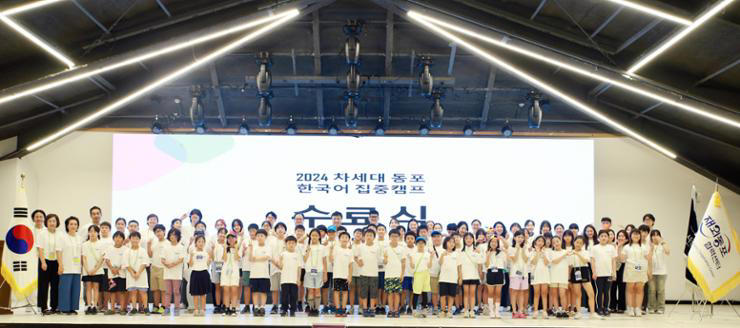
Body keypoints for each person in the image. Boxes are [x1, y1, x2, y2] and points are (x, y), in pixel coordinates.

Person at [57, 216, 83, 315]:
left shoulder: (79, 238)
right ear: (67, 226)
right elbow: (58, 251)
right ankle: (64, 308)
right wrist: (60, 265)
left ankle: (73, 308)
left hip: (76, 268)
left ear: (78, 226)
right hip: (66, 267)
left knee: (75, 289)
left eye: (75, 224)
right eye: (71, 224)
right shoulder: (62, 237)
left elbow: (81, 253)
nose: (73, 226)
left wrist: (82, 266)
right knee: (65, 288)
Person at [37, 214, 60, 315]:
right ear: (46, 222)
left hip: (56, 262)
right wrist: (43, 262)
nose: (52, 223)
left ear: (57, 222)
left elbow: (61, 250)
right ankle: (43, 307)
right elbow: (40, 249)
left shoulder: (60, 234)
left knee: (55, 285)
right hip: (45, 261)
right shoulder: (42, 233)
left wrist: (60, 264)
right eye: (50, 221)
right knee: (43, 285)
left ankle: (54, 307)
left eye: (54, 221)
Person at [591, 230, 617, 317]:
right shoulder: (594, 248)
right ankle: (599, 308)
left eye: (605, 236)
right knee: (599, 291)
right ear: (598, 238)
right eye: (601, 236)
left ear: (608, 238)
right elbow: (592, 261)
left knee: (607, 292)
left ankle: (606, 308)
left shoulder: (611, 248)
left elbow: (613, 261)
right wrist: (594, 272)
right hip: (598, 274)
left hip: (609, 274)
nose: (603, 238)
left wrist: (614, 273)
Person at [274, 235, 301, 316]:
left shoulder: (297, 255)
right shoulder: (283, 254)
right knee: (284, 296)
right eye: (289, 243)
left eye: (293, 243)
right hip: (284, 279)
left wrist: (298, 279)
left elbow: (299, 268)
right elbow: (281, 267)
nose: (291, 244)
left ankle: (293, 310)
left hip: (294, 280)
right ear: (286, 244)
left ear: (295, 244)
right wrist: (280, 260)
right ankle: (284, 309)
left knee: (294, 296)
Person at [124, 232, 150, 315]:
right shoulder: (127, 251)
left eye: (136, 238)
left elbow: (145, 262)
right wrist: (132, 273)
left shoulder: (143, 250)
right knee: (133, 292)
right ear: (130, 239)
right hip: (130, 274)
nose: (134, 240)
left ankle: (145, 308)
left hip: (141, 274)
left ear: (139, 239)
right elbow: (126, 263)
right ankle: (134, 308)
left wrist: (138, 273)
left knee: (143, 292)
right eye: (133, 238)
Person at [82, 225, 106, 315]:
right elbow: (83, 258)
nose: (92, 233)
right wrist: (88, 269)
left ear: (97, 233)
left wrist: (94, 270)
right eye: (90, 231)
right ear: (88, 233)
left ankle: (95, 306)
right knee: (88, 287)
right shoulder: (84, 244)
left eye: (94, 231)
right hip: (87, 270)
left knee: (96, 288)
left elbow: (101, 258)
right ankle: (88, 305)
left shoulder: (101, 244)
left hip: (98, 270)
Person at [357, 229, 381, 317]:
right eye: (367, 235)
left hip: (374, 273)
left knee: (373, 292)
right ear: (364, 236)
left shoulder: (377, 247)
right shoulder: (361, 247)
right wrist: (358, 261)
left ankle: (371, 309)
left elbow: (380, 260)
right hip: (363, 273)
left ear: (374, 237)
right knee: (364, 292)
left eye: (371, 235)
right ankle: (364, 309)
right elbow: (357, 257)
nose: (369, 237)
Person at [303, 228, 326, 317]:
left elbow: (324, 261)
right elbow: (304, 260)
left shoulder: (322, 247)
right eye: (312, 235)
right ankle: (311, 308)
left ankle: (316, 309)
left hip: (319, 271)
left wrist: (325, 274)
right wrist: (308, 251)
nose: (314, 237)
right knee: (310, 291)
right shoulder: (307, 246)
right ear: (310, 236)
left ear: (319, 236)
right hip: (309, 271)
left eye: (316, 235)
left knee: (317, 290)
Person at [383, 228, 406, 318]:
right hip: (388, 274)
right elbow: (384, 263)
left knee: (396, 294)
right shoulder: (386, 249)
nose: (394, 238)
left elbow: (404, 263)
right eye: (392, 236)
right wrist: (385, 258)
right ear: (389, 237)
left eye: (396, 236)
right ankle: (391, 310)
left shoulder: (402, 248)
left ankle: (396, 310)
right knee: (390, 293)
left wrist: (402, 274)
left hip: (398, 274)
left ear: (399, 237)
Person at [249, 229, 272, 316]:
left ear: (265, 237)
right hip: (254, 274)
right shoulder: (253, 246)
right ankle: (255, 308)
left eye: (262, 236)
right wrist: (251, 251)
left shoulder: (268, 247)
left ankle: (262, 307)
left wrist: (256, 258)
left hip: (264, 274)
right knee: (254, 292)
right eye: (258, 236)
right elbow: (251, 259)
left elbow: (267, 257)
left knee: (263, 292)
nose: (260, 237)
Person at [162, 229, 185, 316]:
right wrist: (167, 264)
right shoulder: (165, 247)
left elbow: (181, 259)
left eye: (175, 235)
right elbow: (162, 259)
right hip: (167, 272)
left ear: (178, 237)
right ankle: (167, 308)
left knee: (176, 291)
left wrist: (172, 264)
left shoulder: (181, 247)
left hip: (176, 273)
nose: (172, 236)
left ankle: (177, 308)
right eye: (171, 234)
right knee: (168, 292)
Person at [459, 233, 482, 318]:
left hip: (474, 275)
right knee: (465, 294)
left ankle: (472, 310)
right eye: (467, 238)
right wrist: (460, 277)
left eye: (470, 238)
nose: (468, 240)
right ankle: (466, 310)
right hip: (465, 275)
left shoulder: (477, 250)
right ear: (464, 240)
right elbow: (460, 265)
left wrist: (478, 253)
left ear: (473, 239)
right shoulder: (461, 252)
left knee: (472, 294)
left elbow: (480, 262)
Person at [104, 231, 127, 315]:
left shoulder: (126, 249)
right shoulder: (109, 248)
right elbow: (107, 259)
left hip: (122, 274)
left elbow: (126, 261)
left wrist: (118, 269)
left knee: (122, 291)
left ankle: (122, 309)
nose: (118, 238)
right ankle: (112, 309)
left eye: (120, 237)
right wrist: (112, 268)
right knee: (112, 291)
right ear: (113, 238)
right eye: (116, 237)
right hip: (111, 275)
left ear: (123, 239)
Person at [437, 236, 461, 318]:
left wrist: (460, 277)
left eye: (453, 242)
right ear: (445, 243)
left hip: (453, 278)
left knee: (451, 295)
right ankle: (443, 311)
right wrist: (442, 255)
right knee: (443, 295)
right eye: (449, 242)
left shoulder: (456, 254)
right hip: (443, 278)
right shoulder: (442, 252)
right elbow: (439, 263)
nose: (451, 244)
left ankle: (449, 310)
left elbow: (459, 266)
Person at [331, 231, 354, 317]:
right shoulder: (336, 248)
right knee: (336, 292)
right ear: (339, 239)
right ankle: (337, 309)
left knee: (345, 292)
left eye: (346, 237)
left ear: (348, 240)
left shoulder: (350, 251)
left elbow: (351, 265)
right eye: (342, 237)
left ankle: (343, 309)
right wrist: (330, 249)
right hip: (337, 274)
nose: (344, 239)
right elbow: (331, 259)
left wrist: (350, 276)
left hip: (346, 275)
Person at [188, 234, 212, 317]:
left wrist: (210, 257)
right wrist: (191, 256)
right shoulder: (193, 252)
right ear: (196, 243)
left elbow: (208, 264)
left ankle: (202, 309)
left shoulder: (206, 253)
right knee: (195, 294)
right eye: (199, 241)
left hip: (204, 273)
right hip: (195, 273)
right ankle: (196, 309)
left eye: (202, 241)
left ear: (204, 243)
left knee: (203, 294)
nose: (201, 243)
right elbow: (190, 264)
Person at [409, 237, 433, 318]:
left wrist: (432, 257)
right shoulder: (413, 254)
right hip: (418, 274)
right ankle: (414, 310)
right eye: (419, 243)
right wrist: (410, 260)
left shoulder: (428, 254)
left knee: (425, 292)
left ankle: (424, 309)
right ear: (416, 244)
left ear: (425, 244)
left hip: (426, 274)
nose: (421, 244)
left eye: (422, 243)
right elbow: (412, 266)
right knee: (416, 292)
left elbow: (429, 266)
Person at [508, 230, 530, 319]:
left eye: (521, 237)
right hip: (514, 274)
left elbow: (525, 260)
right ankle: (514, 311)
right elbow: (514, 259)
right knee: (514, 292)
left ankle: (520, 311)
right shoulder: (511, 248)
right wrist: (517, 249)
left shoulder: (525, 247)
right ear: (514, 238)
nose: (520, 239)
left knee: (521, 292)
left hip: (524, 274)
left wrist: (524, 249)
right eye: (518, 237)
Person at [647, 230, 669, 314]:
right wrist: (652, 248)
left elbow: (667, 252)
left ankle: (661, 308)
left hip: (662, 272)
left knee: (660, 290)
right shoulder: (648, 246)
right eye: (653, 235)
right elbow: (648, 258)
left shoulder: (663, 244)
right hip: (651, 271)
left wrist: (662, 242)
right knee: (651, 290)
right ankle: (651, 307)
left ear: (660, 236)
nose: (655, 237)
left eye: (657, 235)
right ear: (651, 237)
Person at [484, 234, 506, 319]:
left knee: (498, 293)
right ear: (489, 243)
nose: (494, 243)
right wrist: (488, 255)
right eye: (492, 242)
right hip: (490, 272)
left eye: (495, 242)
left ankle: (497, 311)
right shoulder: (487, 252)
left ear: (498, 243)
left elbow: (505, 262)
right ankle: (491, 311)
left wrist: (504, 251)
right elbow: (486, 264)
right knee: (490, 293)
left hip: (499, 272)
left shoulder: (501, 252)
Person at [548, 236, 570, 318]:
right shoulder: (551, 252)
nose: (556, 243)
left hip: (563, 277)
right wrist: (564, 255)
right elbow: (554, 261)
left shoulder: (566, 251)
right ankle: (557, 310)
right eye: (553, 242)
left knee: (562, 294)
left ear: (560, 241)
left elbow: (568, 265)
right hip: (553, 276)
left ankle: (564, 310)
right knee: (554, 294)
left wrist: (568, 276)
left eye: (557, 241)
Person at [147, 224, 167, 314]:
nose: (158, 233)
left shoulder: (168, 243)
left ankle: (163, 307)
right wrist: (148, 245)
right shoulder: (154, 242)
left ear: (164, 231)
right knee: (155, 289)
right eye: (156, 232)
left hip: (163, 268)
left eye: (159, 231)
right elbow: (150, 255)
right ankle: (155, 306)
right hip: (154, 267)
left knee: (163, 289)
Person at [530, 236, 550, 319]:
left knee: (544, 294)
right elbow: (533, 262)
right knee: (536, 293)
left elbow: (546, 263)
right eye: (539, 241)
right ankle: (535, 311)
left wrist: (543, 253)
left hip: (544, 274)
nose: (540, 242)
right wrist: (538, 252)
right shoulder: (532, 252)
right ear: (535, 242)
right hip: (535, 274)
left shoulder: (547, 251)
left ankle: (544, 311)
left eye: (542, 241)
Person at [221, 233, 241, 316]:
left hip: (235, 271)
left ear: (235, 239)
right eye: (229, 239)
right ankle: (226, 308)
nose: (231, 240)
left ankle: (233, 308)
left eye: (232, 238)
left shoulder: (239, 248)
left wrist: (236, 248)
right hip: (225, 271)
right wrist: (225, 249)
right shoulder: (225, 248)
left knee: (234, 290)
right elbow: (224, 259)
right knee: (226, 290)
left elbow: (237, 258)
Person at [240, 223, 258, 314]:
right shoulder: (245, 241)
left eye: (254, 231)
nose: (252, 232)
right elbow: (240, 255)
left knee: (255, 288)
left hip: (256, 268)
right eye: (250, 231)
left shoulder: (259, 241)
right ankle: (247, 306)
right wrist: (243, 250)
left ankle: (255, 306)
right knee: (246, 287)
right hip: (246, 267)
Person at [270, 222, 287, 314]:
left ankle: (284, 306)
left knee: (284, 289)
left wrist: (282, 265)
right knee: (275, 288)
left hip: (285, 269)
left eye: (282, 227)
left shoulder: (288, 240)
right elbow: (269, 255)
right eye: (278, 228)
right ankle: (275, 306)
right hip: (274, 268)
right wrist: (276, 264)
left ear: (285, 230)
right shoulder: (272, 241)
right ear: (275, 230)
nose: (280, 229)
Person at [609, 230, 628, 314]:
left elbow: (621, 259)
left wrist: (619, 247)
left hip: (623, 268)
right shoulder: (612, 245)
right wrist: (617, 246)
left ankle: (621, 307)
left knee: (622, 288)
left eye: (623, 236)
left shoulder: (627, 247)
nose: (621, 237)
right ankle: (612, 306)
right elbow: (613, 258)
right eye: (619, 236)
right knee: (612, 288)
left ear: (626, 238)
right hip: (612, 267)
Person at [401, 231, 416, 314]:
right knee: (404, 290)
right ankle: (402, 306)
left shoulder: (417, 249)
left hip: (414, 274)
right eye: (408, 238)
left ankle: (410, 306)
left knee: (412, 291)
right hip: (405, 274)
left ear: (414, 240)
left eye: (412, 238)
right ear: (405, 239)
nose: (410, 240)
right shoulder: (403, 249)